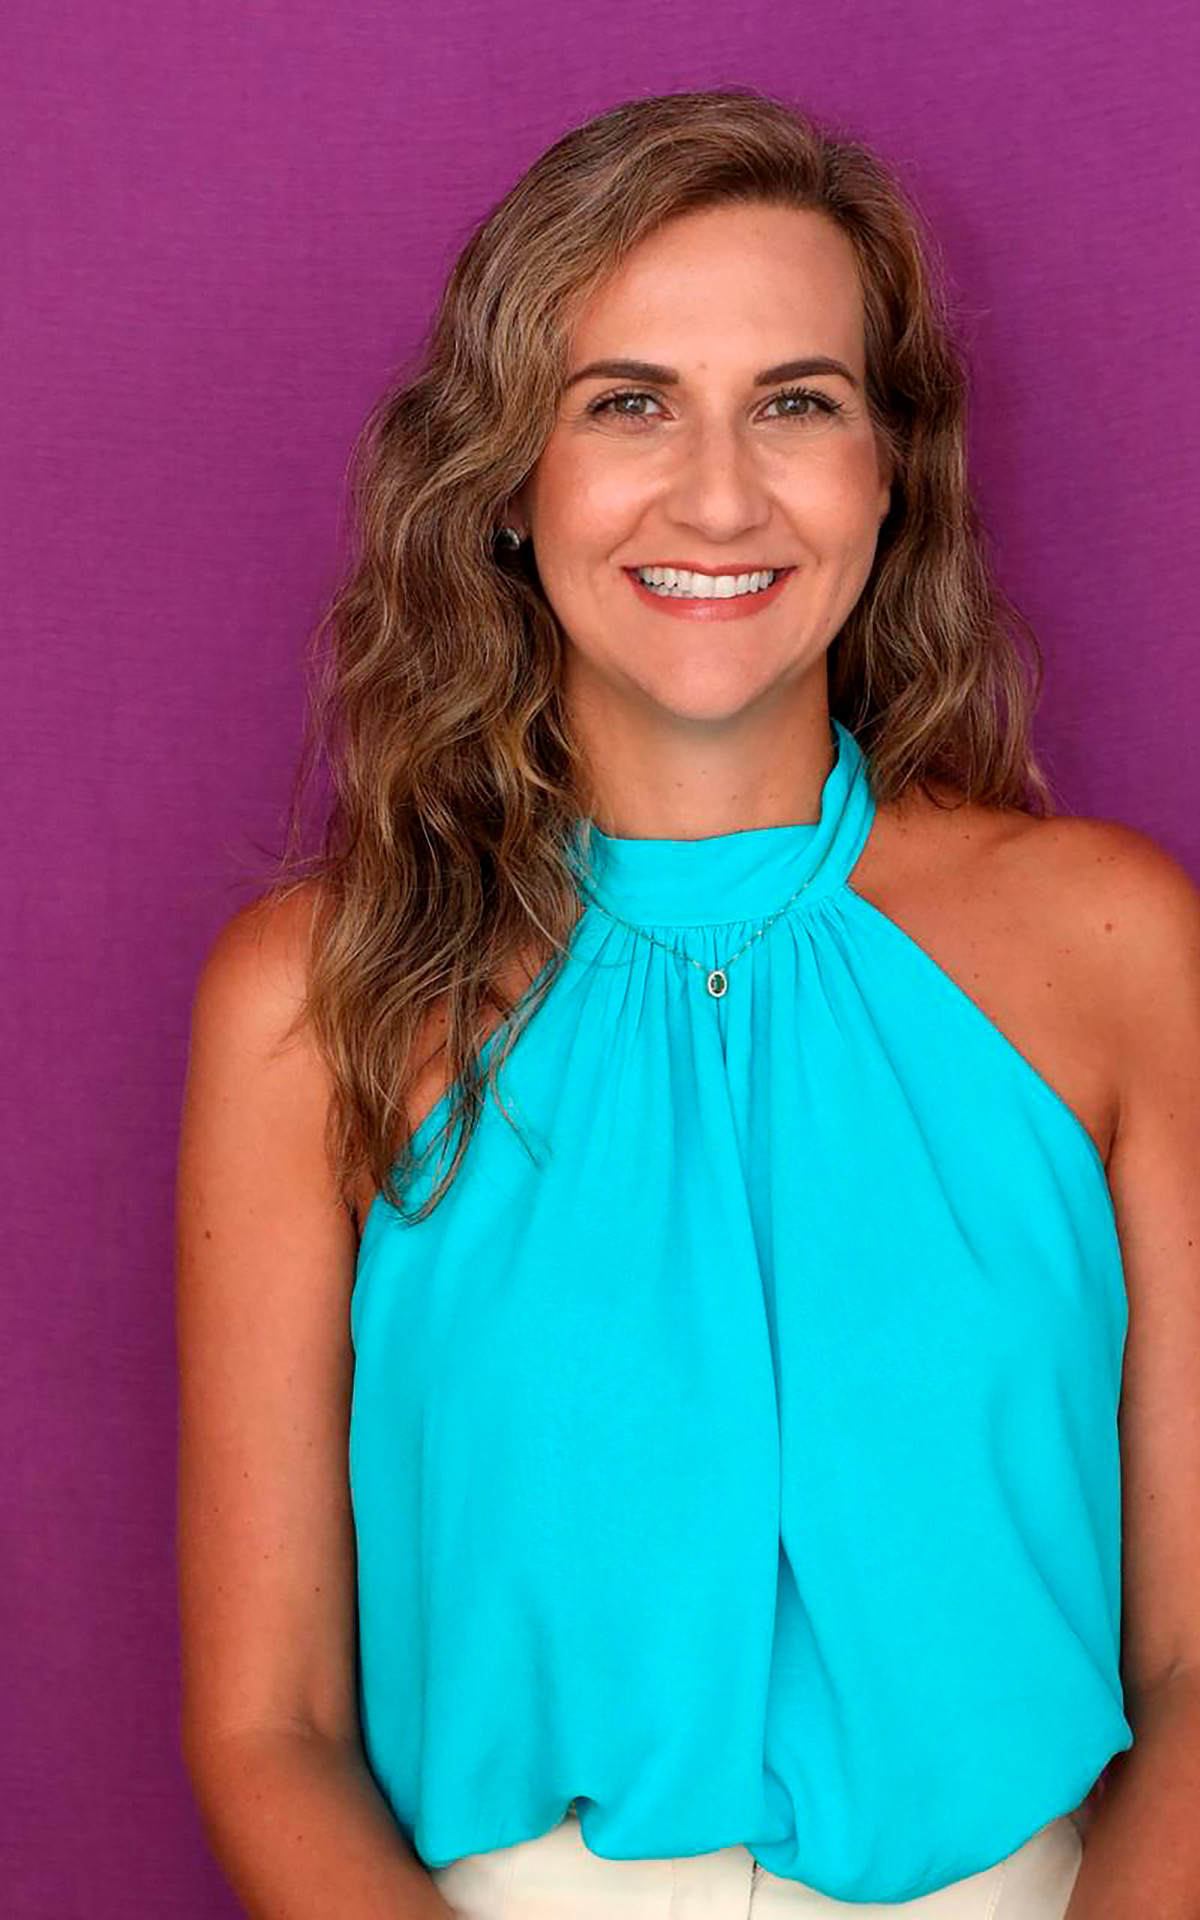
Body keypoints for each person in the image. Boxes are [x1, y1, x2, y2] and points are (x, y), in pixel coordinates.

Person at [175, 87, 1200, 1920]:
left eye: (796, 404)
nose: (720, 496)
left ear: (891, 470)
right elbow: (273, 1726)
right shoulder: (306, 1004)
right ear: (510, 478)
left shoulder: (1116, 949)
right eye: (627, 403)